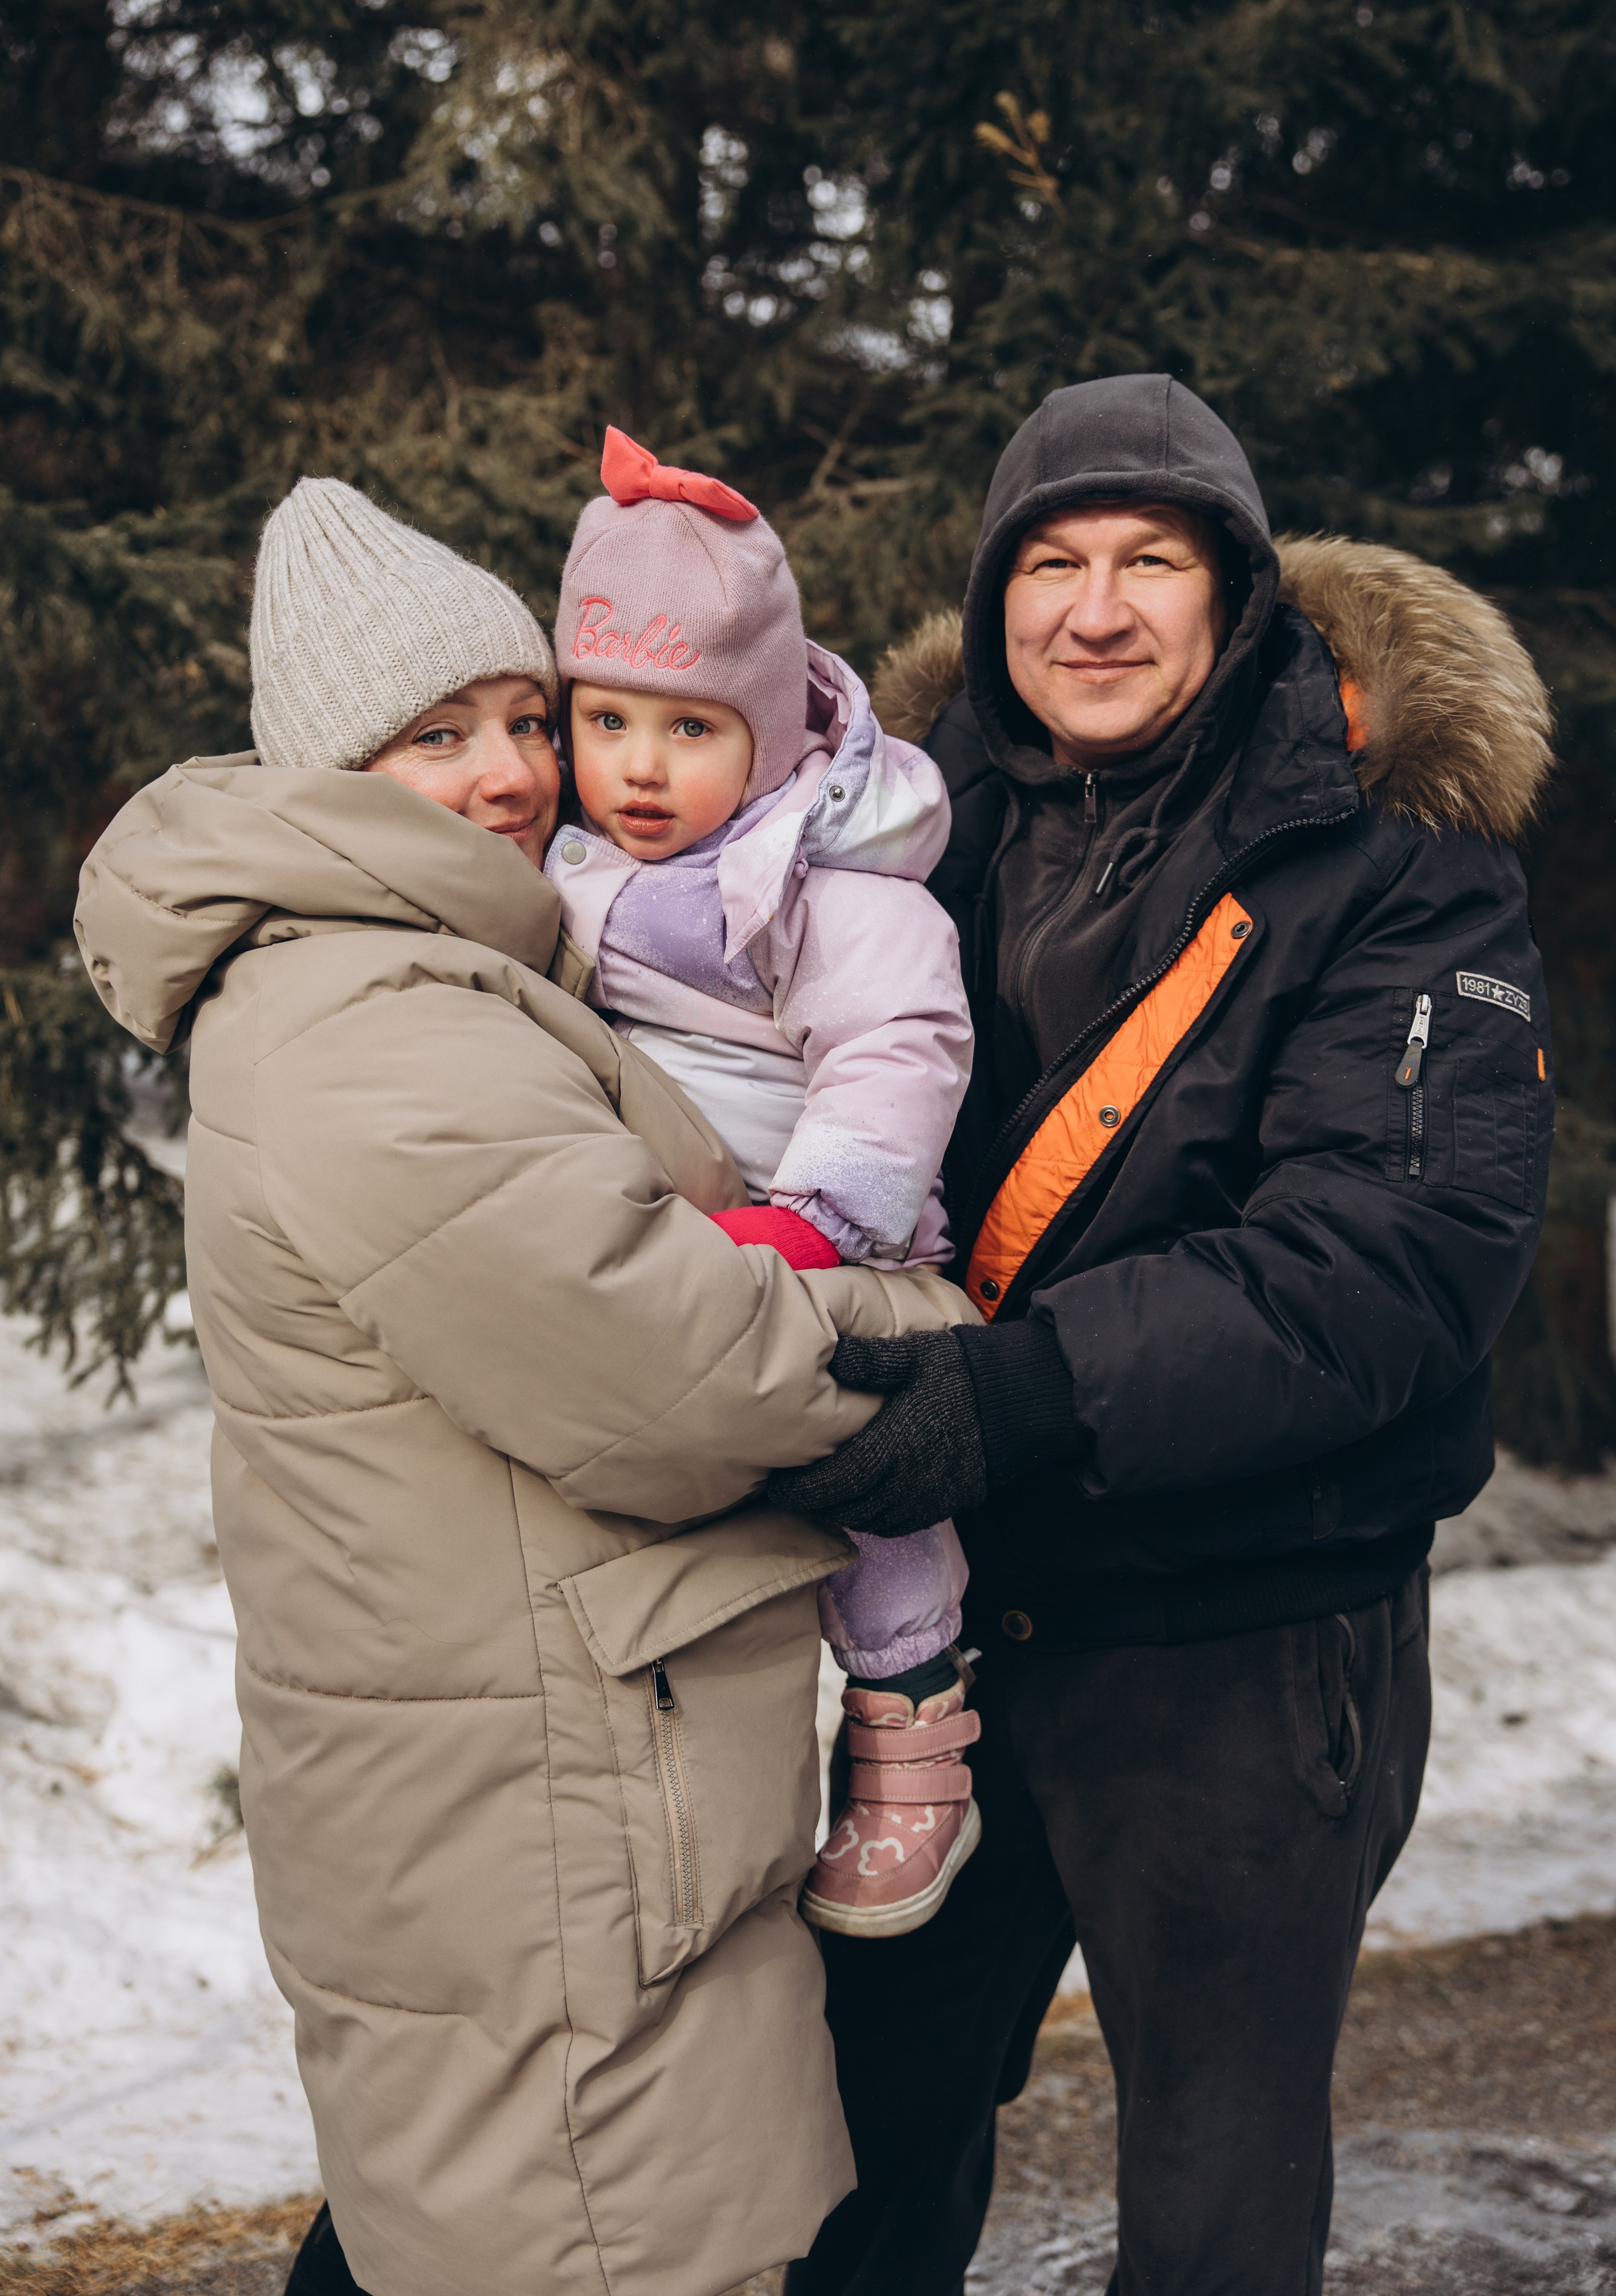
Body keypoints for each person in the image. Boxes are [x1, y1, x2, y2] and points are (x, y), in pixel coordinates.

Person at [74, 475, 976, 2296]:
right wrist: (939, 1339)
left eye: (521, 718)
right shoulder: (375, 1027)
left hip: (531, 1779)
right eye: (437, 738)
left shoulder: (440, 967)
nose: (509, 775)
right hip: (539, 1810)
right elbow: (673, 1371)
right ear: (332, 767)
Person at [771, 373, 1557, 2295]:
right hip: (954, 1635)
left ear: (1239, 594)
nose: (1095, 611)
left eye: (1149, 562)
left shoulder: (1395, 865)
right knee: (844, 2161)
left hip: (1243, 1645)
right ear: (994, 599)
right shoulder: (909, 840)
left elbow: (1394, 1255)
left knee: (1211, 2205)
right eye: (1051, 564)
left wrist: (1031, 1389)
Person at [549, 427, 981, 1937]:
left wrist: (817, 1220)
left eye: (688, 728)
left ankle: (913, 1736)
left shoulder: (831, 888)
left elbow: (897, 1046)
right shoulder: (572, 872)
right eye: (606, 720)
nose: (640, 767)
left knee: (871, 1498)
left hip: (834, 1242)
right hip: (678, 1249)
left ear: (772, 734)